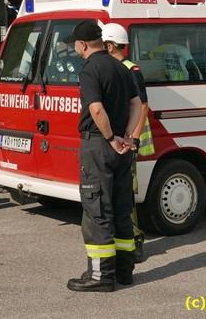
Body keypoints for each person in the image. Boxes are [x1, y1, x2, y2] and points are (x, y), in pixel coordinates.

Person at [65, 19, 141, 292]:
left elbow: (96, 109)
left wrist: (109, 138)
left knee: (97, 209)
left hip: (99, 145)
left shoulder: (90, 69)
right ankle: (124, 271)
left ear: (82, 44)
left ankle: (100, 276)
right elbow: (137, 104)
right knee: (121, 208)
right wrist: (127, 136)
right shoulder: (121, 67)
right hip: (122, 146)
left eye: (74, 44)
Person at [102, 23, 155, 264]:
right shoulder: (113, 67)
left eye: (103, 45)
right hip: (117, 138)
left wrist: (133, 138)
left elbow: (142, 105)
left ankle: (135, 240)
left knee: (126, 192)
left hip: (127, 140)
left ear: (110, 46)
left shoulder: (131, 70)